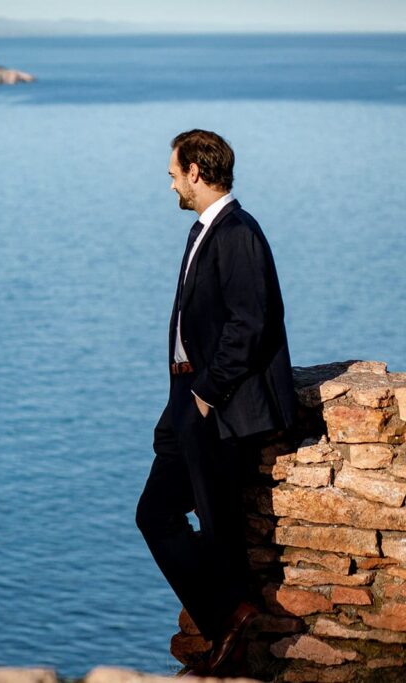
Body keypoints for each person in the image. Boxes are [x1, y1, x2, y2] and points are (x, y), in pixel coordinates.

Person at [135, 130, 297, 677]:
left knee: (202, 517)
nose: (170, 178)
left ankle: (230, 619)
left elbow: (250, 323)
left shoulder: (238, 234)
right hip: (191, 396)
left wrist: (204, 393)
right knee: (163, 512)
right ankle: (229, 616)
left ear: (197, 174)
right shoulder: (205, 230)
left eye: (175, 170)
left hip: (220, 405)